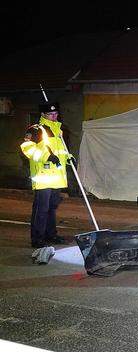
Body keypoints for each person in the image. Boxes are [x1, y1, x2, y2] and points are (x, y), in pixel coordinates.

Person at [20, 102, 73, 248]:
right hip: (43, 176)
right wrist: (46, 157)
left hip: (56, 177)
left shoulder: (58, 130)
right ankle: (37, 238)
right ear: (43, 114)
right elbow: (26, 149)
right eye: (51, 114)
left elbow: (60, 152)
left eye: (56, 114)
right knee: (41, 209)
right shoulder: (36, 130)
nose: (54, 116)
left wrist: (68, 157)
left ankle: (51, 235)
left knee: (51, 208)